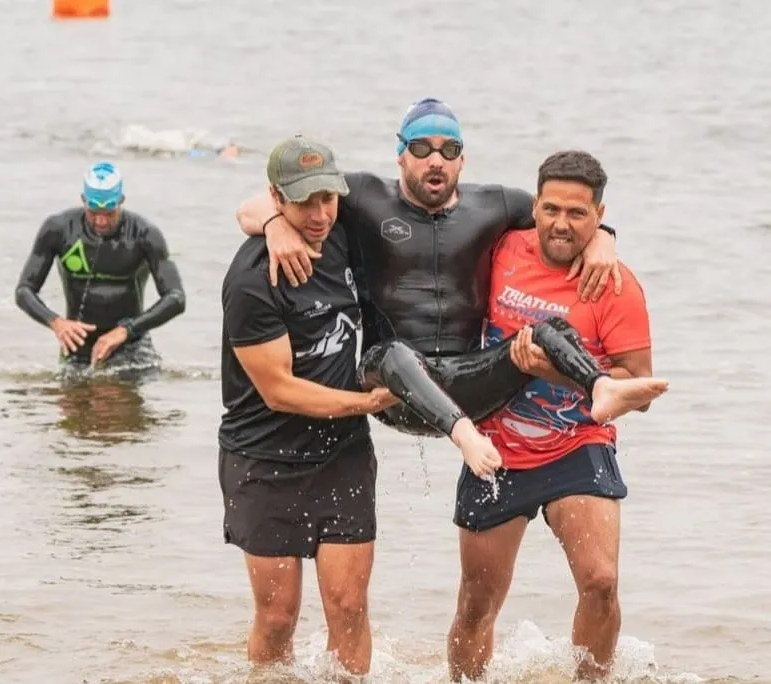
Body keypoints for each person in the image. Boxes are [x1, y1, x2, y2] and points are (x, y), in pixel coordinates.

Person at [235, 99, 658, 476]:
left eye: (448, 150)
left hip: (468, 384)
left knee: (545, 328)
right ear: (401, 155)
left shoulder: (496, 204)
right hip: (389, 389)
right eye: (421, 148)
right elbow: (255, 205)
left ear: (462, 160)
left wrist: (605, 235)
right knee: (392, 352)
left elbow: (562, 215)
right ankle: (466, 438)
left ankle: (600, 387)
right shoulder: (364, 195)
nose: (435, 160)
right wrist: (275, 226)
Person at [446, 150, 664, 681]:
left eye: (578, 214)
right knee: (477, 605)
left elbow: (641, 387)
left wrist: (556, 372)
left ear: (599, 215)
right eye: (551, 210)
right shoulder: (500, 248)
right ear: (535, 206)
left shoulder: (614, 284)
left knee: (601, 581)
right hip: (496, 447)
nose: (561, 224)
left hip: (576, 443)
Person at [219, 135, 400, 677]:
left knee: (349, 608)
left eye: (329, 199)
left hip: (341, 454)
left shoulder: (342, 235)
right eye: (304, 203)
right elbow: (279, 389)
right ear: (278, 197)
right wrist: (366, 403)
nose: (320, 215)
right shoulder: (252, 278)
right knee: (278, 618)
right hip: (263, 460)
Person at [14, 162, 186, 375]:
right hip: (77, 346)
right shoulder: (58, 229)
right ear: (84, 201)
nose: (101, 221)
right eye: (93, 212)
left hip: (131, 346)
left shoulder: (144, 234)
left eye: (109, 213)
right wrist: (57, 323)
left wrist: (126, 330)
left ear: (121, 201)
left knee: (117, 401)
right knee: (69, 404)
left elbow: (176, 298)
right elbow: (24, 291)